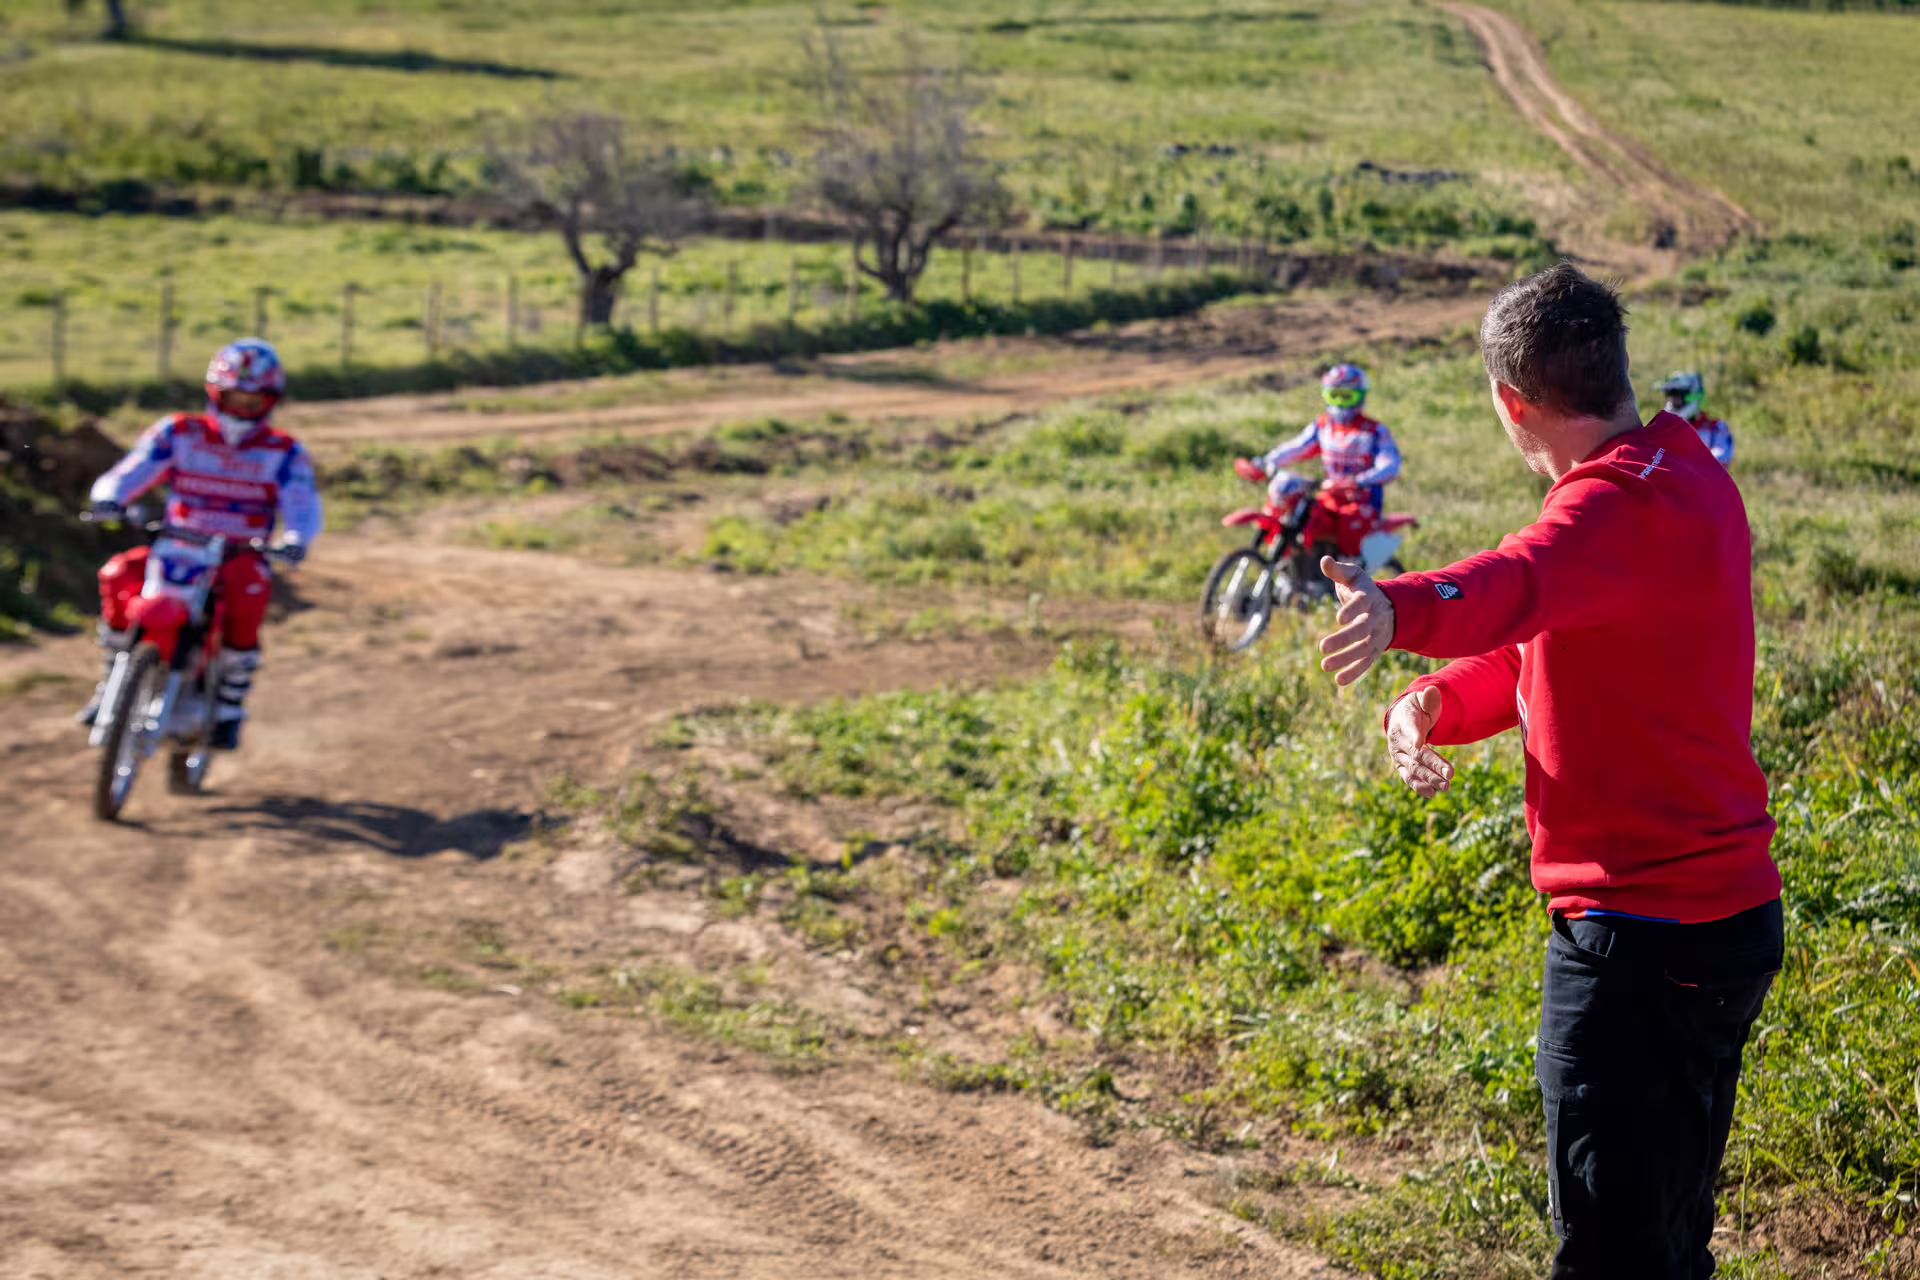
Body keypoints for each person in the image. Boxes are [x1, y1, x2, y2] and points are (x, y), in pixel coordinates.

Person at [1314, 263, 1781, 1278]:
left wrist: (1400, 608)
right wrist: (1436, 701)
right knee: (1668, 1237)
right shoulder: (1683, 469)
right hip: (1719, 920)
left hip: (1640, 939)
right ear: (1618, 370)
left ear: (1508, 400)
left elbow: (1519, 577)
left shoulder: (1607, 511)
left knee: (1613, 1254)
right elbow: (1542, 640)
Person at [81, 339, 322, 750]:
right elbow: (132, 470)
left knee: (250, 593)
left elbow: (302, 504)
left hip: (239, 554)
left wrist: (296, 539)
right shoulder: (178, 432)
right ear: (215, 393)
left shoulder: (284, 452)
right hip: (175, 546)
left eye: (252, 401)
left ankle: (228, 705)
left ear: (269, 402)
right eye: (234, 398)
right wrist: (110, 498)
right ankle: (112, 681)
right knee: (119, 574)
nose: (241, 410)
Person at [1250, 363, 1402, 549]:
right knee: (1302, 518)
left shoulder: (1374, 431)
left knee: (1348, 536)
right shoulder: (1324, 426)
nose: (1339, 403)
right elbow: (1297, 447)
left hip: (1361, 501)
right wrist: (1268, 461)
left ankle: (1347, 573)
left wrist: (1360, 481)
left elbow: (1390, 466)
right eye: (1334, 396)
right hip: (1330, 493)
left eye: (1346, 397)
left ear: (1359, 397)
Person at [1657, 370, 1735, 467]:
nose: (1672, 401)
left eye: (1677, 395)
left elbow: (1720, 463)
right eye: (1669, 395)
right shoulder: (1661, 430)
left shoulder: (1716, 429)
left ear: (1692, 395)